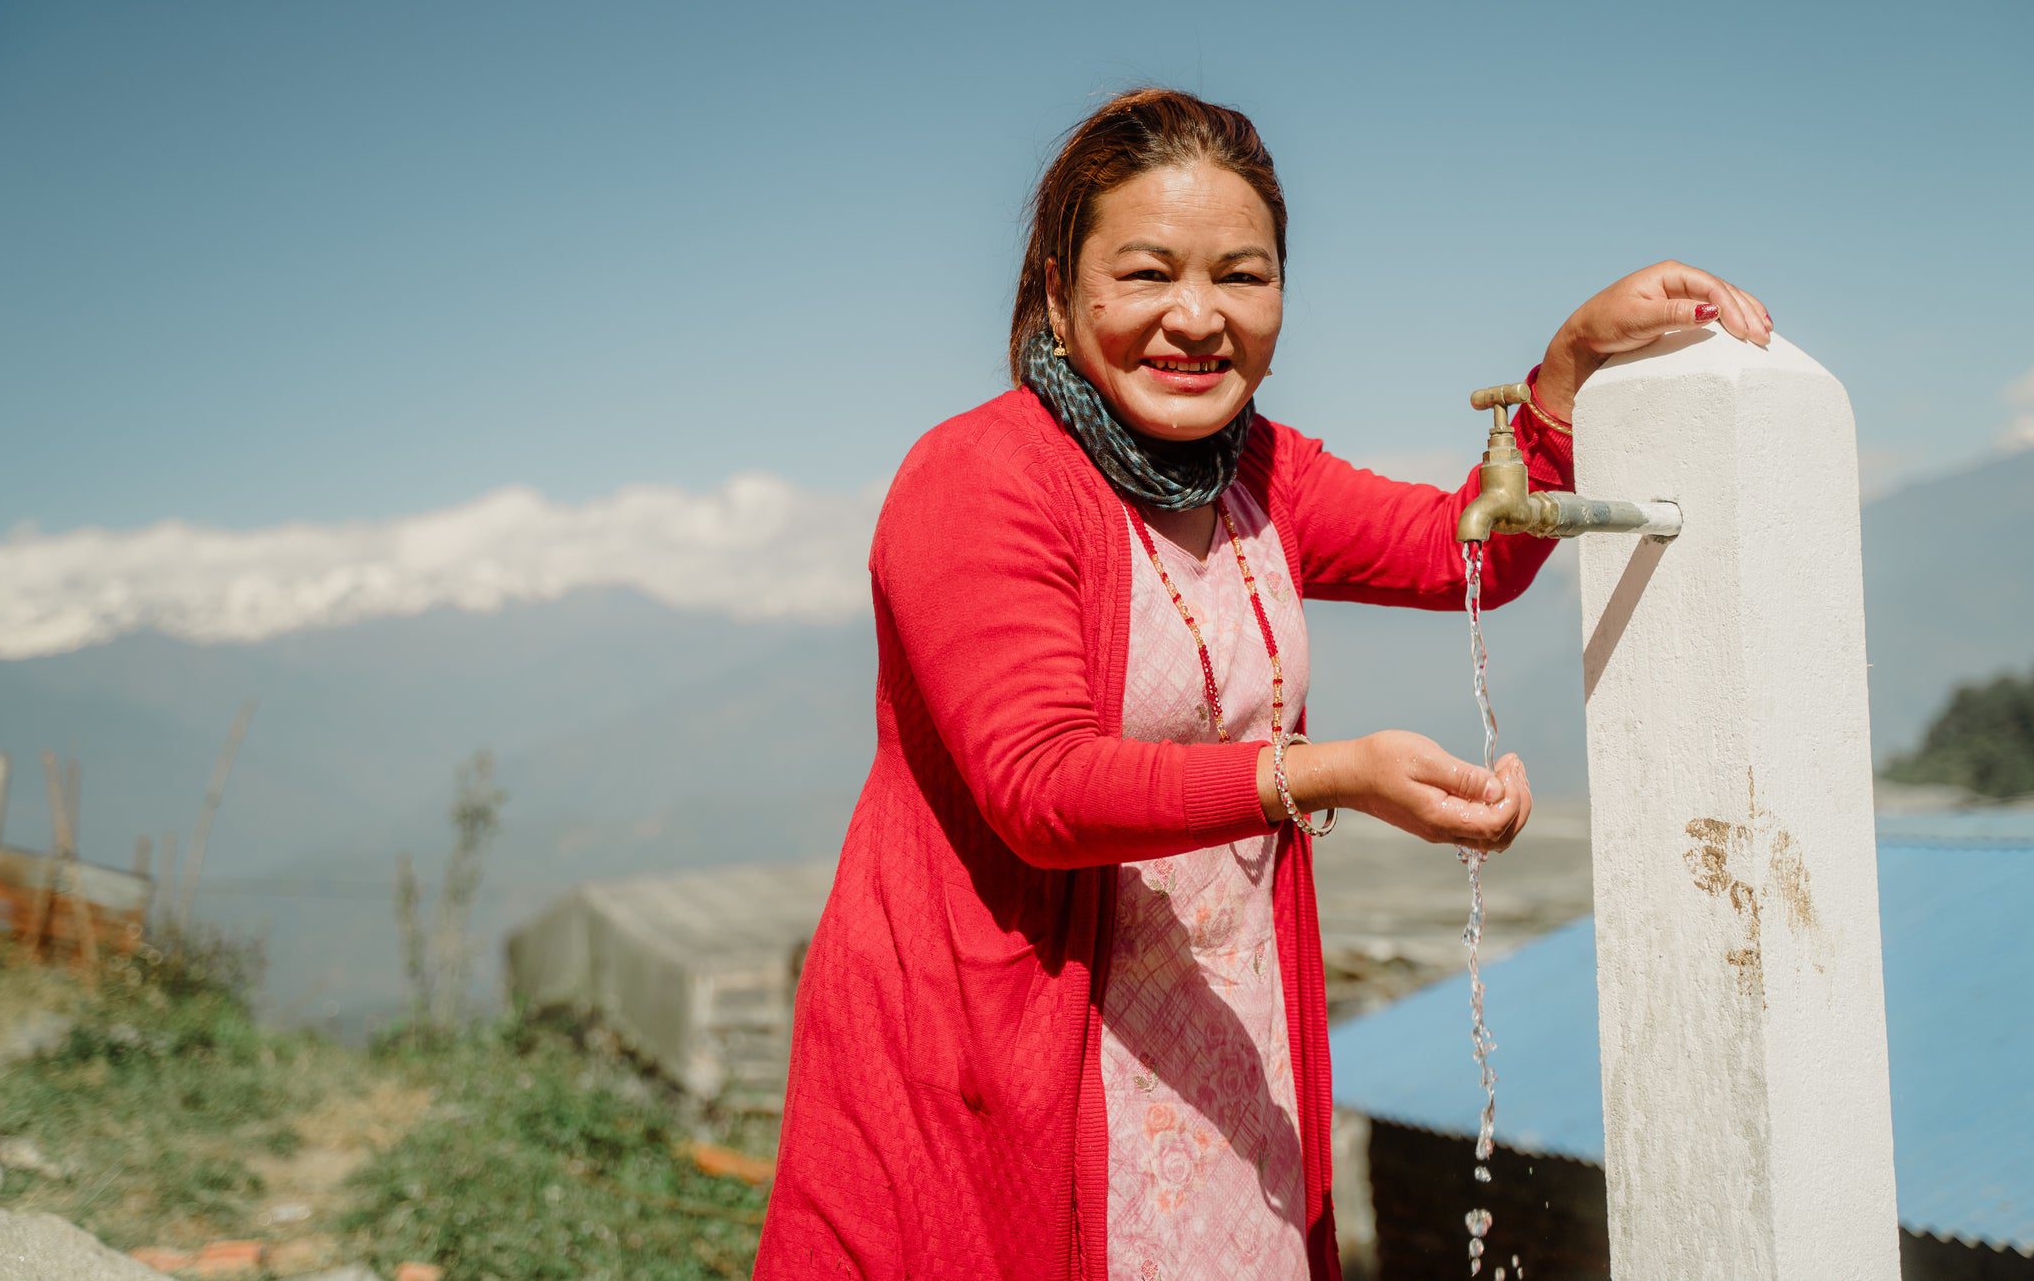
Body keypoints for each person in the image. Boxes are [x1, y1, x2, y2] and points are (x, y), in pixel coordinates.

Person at [753, 88, 1771, 1280]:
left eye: (1241, 275)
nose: (1195, 319)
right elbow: (1038, 787)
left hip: (1217, 1046)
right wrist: (1328, 773)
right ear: (1055, 288)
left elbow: (1466, 552)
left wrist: (1567, 369)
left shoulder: (1254, 472)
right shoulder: (980, 478)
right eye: (1144, 274)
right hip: (1003, 1053)